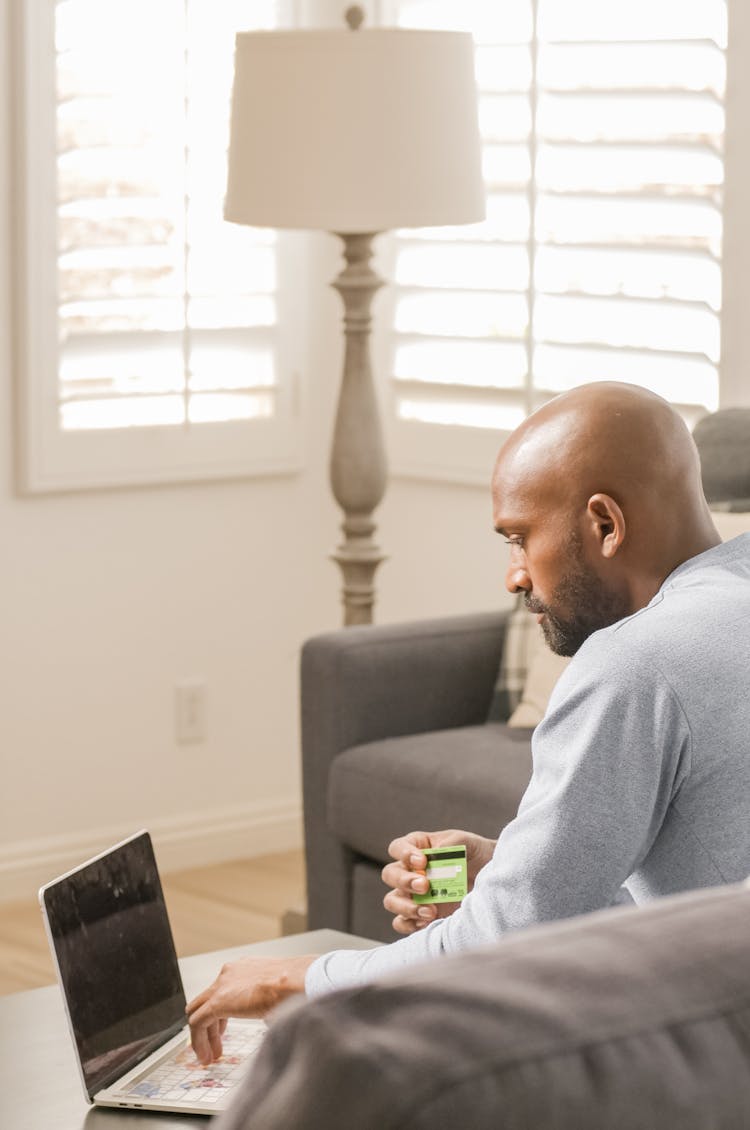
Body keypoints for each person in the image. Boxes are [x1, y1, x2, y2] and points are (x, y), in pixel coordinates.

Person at [186, 381, 750, 1066]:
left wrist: (292, 978)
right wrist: (513, 869)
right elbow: (712, 909)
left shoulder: (636, 661)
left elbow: (496, 944)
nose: (514, 577)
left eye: (519, 538)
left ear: (604, 524)